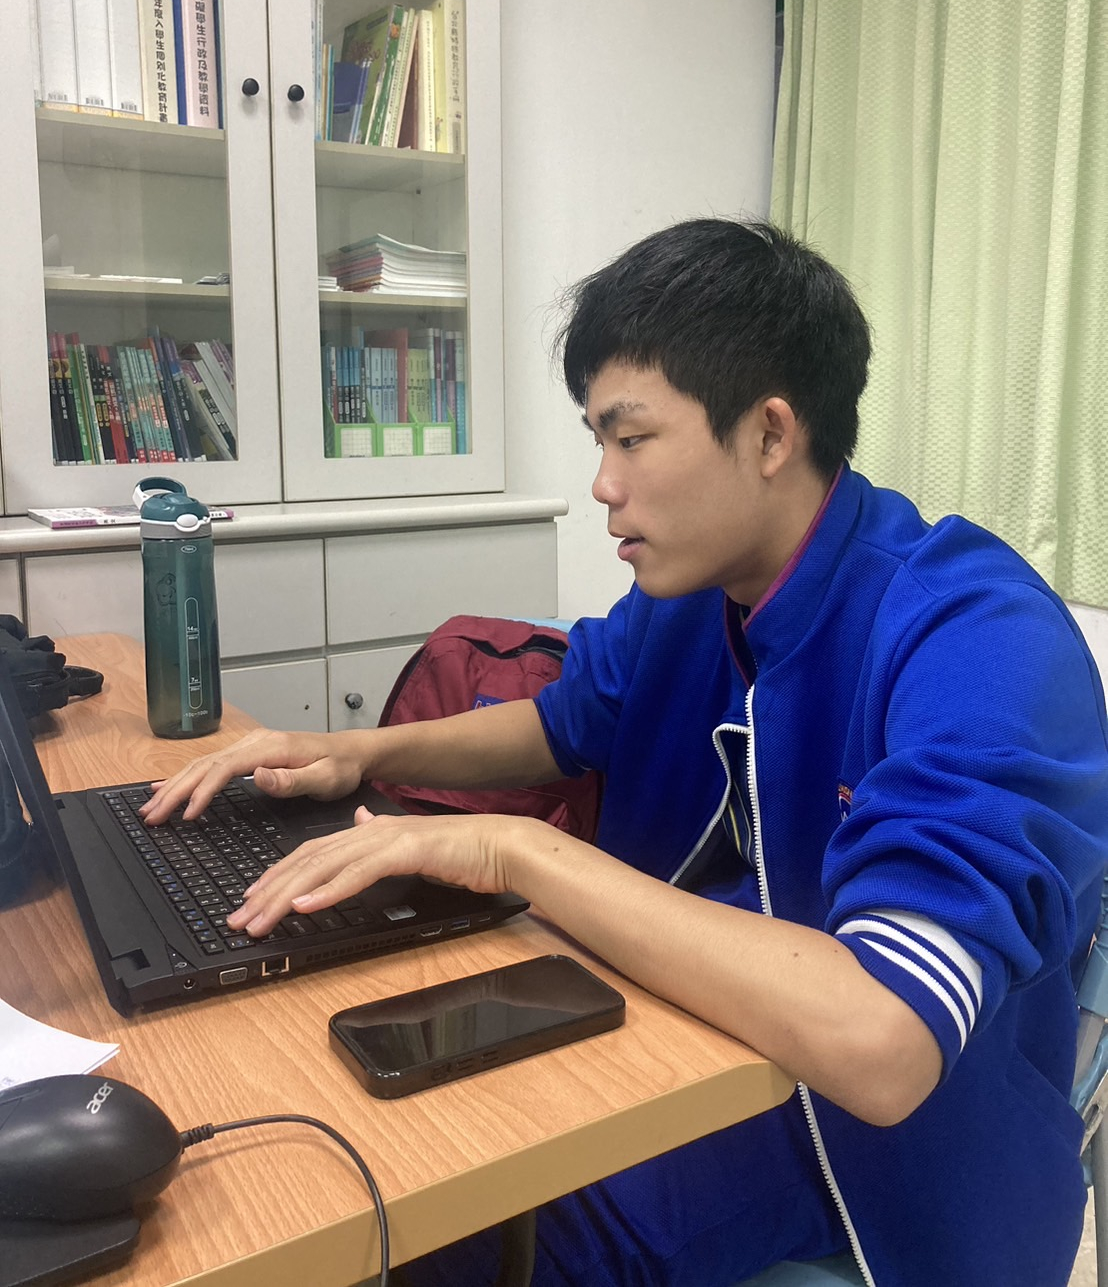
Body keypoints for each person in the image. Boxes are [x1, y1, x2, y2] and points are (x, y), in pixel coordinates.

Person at [142, 219, 1108, 1287]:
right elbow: (560, 721)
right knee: (374, 1129)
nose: (602, 483)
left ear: (770, 434)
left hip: (886, 1156)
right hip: (693, 1036)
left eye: (631, 438)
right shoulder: (698, 589)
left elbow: (882, 1040)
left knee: (454, 1227)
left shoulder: (978, 636)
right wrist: (356, 751)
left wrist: (514, 851)